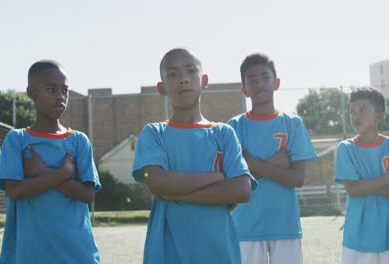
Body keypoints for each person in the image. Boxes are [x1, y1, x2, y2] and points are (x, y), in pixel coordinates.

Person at [132, 48, 255, 264]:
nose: (183, 80)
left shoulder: (223, 133)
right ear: (161, 88)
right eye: (173, 74)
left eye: (190, 71)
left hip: (219, 252)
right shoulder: (154, 133)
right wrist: (216, 178)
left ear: (204, 80)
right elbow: (158, 183)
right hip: (166, 254)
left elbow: (241, 190)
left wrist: (175, 193)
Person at [0, 60, 101, 263]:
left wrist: (42, 173)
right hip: (29, 253)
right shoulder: (17, 140)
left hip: (76, 253)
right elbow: (15, 191)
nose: (60, 96)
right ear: (31, 93)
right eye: (51, 90)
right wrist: (61, 174)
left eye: (65, 90)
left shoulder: (78, 141)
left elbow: (88, 194)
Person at [228, 53, 316, 264]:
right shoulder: (234, 126)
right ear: (244, 89)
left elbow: (298, 178)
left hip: (284, 225)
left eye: (265, 77)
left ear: (276, 83)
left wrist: (254, 165)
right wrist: (274, 164)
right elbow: (238, 181)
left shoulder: (292, 124)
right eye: (252, 80)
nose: (259, 84)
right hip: (245, 225)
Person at [335, 87, 389, 264]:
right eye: (352, 111)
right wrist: (387, 179)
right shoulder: (345, 149)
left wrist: (365, 184)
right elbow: (353, 190)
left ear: (379, 116)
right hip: (357, 238)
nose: (355, 115)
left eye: (363, 109)